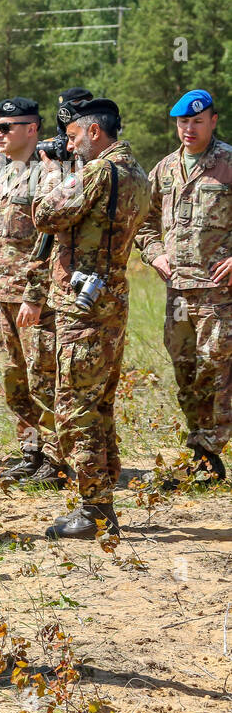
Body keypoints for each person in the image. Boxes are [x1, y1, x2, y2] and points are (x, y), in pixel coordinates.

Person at [33, 98, 150, 539]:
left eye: (74, 135)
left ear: (95, 132)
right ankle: (101, 500)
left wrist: (49, 176)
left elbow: (45, 214)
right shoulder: (136, 171)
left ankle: (96, 509)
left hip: (82, 306)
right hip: (110, 298)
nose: (69, 143)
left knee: (75, 407)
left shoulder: (100, 172)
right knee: (99, 404)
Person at [135, 89, 232, 480]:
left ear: (212, 120)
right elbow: (143, 222)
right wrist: (155, 253)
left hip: (219, 294)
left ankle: (208, 454)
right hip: (178, 294)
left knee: (217, 369)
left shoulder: (227, 163)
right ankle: (200, 447)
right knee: (186, 371)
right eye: (182, 122)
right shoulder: (165, 169)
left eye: (196, 121)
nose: (188, 129)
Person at [0, 97, 63, 486]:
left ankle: (57, 460)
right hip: (4, 296)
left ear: (32, 129)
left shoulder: (51, 177)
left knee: (44, 379)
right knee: (14, 380)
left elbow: (53, 242)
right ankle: (31, 452)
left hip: (33, 300)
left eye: (7, 127)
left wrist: (35, 294)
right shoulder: (1, 174)